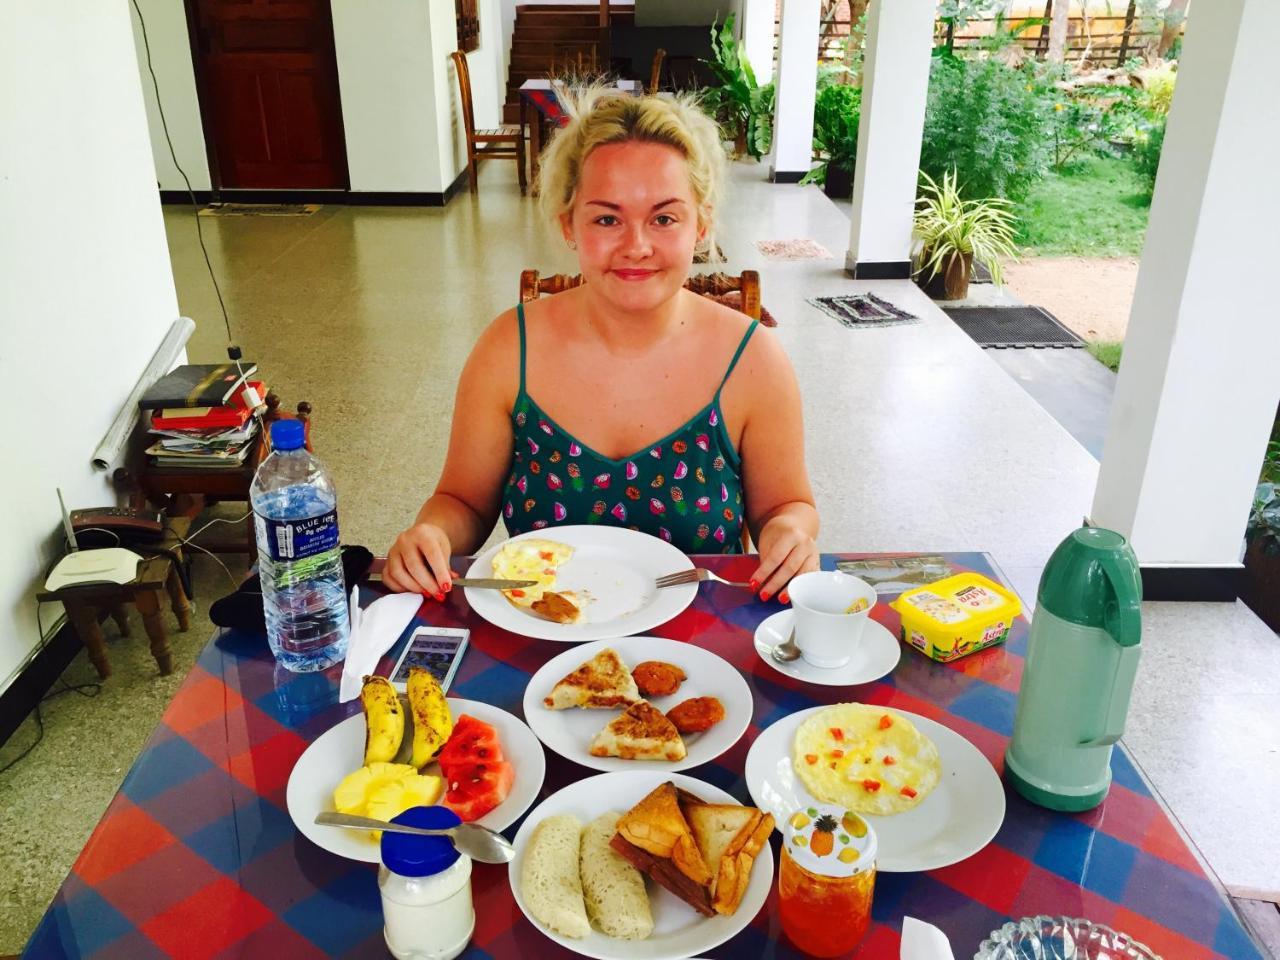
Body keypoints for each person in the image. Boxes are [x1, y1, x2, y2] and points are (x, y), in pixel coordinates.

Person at [385, 90, 818, 603]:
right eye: (607, 218)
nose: (636, 245)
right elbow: (463, 501)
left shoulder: (753, 360)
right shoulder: (507, 350)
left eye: (664, 218)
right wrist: (431, 535)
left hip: (701, 650)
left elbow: (786, 506)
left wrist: (791, 532)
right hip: (542, 633)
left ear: (700, 224)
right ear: (569, 223)